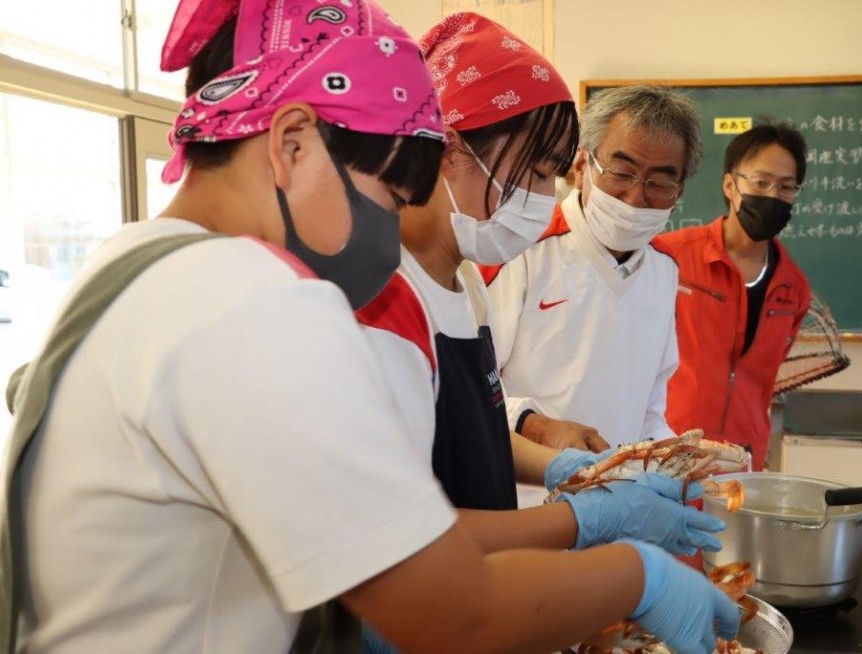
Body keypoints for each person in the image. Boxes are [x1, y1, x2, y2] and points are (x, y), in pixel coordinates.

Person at [0, 3, 739, 653]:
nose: (388, 237)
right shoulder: (253, 303)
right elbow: (455, 614)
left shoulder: (135, 261)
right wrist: (634, 575)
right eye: (389, 195)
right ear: (291, 143)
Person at [355, 18, 728, 652]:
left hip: (498, 574)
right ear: (449, 147)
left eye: (549, 173)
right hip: (447, 597)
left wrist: (579, 467)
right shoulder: (385, 300)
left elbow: (470, 424)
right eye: (536, 170)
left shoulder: (463, 282)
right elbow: (391, 540)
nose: (541, 194)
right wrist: (588, 514)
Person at [482, 85, 701, 452]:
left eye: (660, 182)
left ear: (679, 191)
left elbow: (649, 409)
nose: (635, 198)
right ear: (582, 166)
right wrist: (535, 425)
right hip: (526, 494)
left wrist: (674, 457)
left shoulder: (665, 270)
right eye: (621, 172)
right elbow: (468, 386)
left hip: (622, 492)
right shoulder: (519, 251)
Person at [655, 122, 812, 470]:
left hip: (743, 461)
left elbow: (762, 378)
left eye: (786, 187)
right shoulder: (672, 256)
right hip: (669, 450)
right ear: (730, 184)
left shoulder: (793, 287)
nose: (772, 195)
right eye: (760, 182)